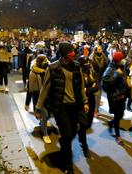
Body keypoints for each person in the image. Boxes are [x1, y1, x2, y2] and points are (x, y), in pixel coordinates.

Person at [35, 42, 89, 174]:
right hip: (60, 107)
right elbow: (45, 89)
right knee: (67, 134)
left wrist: (85, 101)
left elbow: (81, 85)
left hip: (74, 106)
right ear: (65, 53)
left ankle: (64, 143)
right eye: (71, 51)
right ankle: (67, 165)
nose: (74, 53)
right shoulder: (53, 68)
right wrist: (38, 107)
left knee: (72, 132)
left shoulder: (77, 66)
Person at [102, 51, 129, 145]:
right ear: (117, 60)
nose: (123, 61)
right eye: (121, 59)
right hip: (114, 97)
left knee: (121, 114)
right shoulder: (110, 69)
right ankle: (118, 136)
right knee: (118, 116)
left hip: (121, 96)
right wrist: (115, 75)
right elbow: (105, 84)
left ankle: (111, 122)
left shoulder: (120, 67)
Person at [28, 54, 51, 144]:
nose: (46, 62)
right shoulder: (33, 73)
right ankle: (45, 134)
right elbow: (30, 90)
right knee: (45, 115)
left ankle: (42, 124)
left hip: (48, 97)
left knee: (47, 115)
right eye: (44, 60)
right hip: (39, 98)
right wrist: (28, 103)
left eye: (46, 60)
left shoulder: (48, 70)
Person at [90, 45, 108, 116]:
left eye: (101, 49)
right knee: (96, 94)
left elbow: (106, 64)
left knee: (99, 93)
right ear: (96, 50)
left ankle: (96, 107)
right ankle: (95, 110)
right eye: (99, 49)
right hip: (94, 78)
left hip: (101, 77)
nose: (101, 50)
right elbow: (91, 69)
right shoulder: (92, 58)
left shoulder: (104, 57)